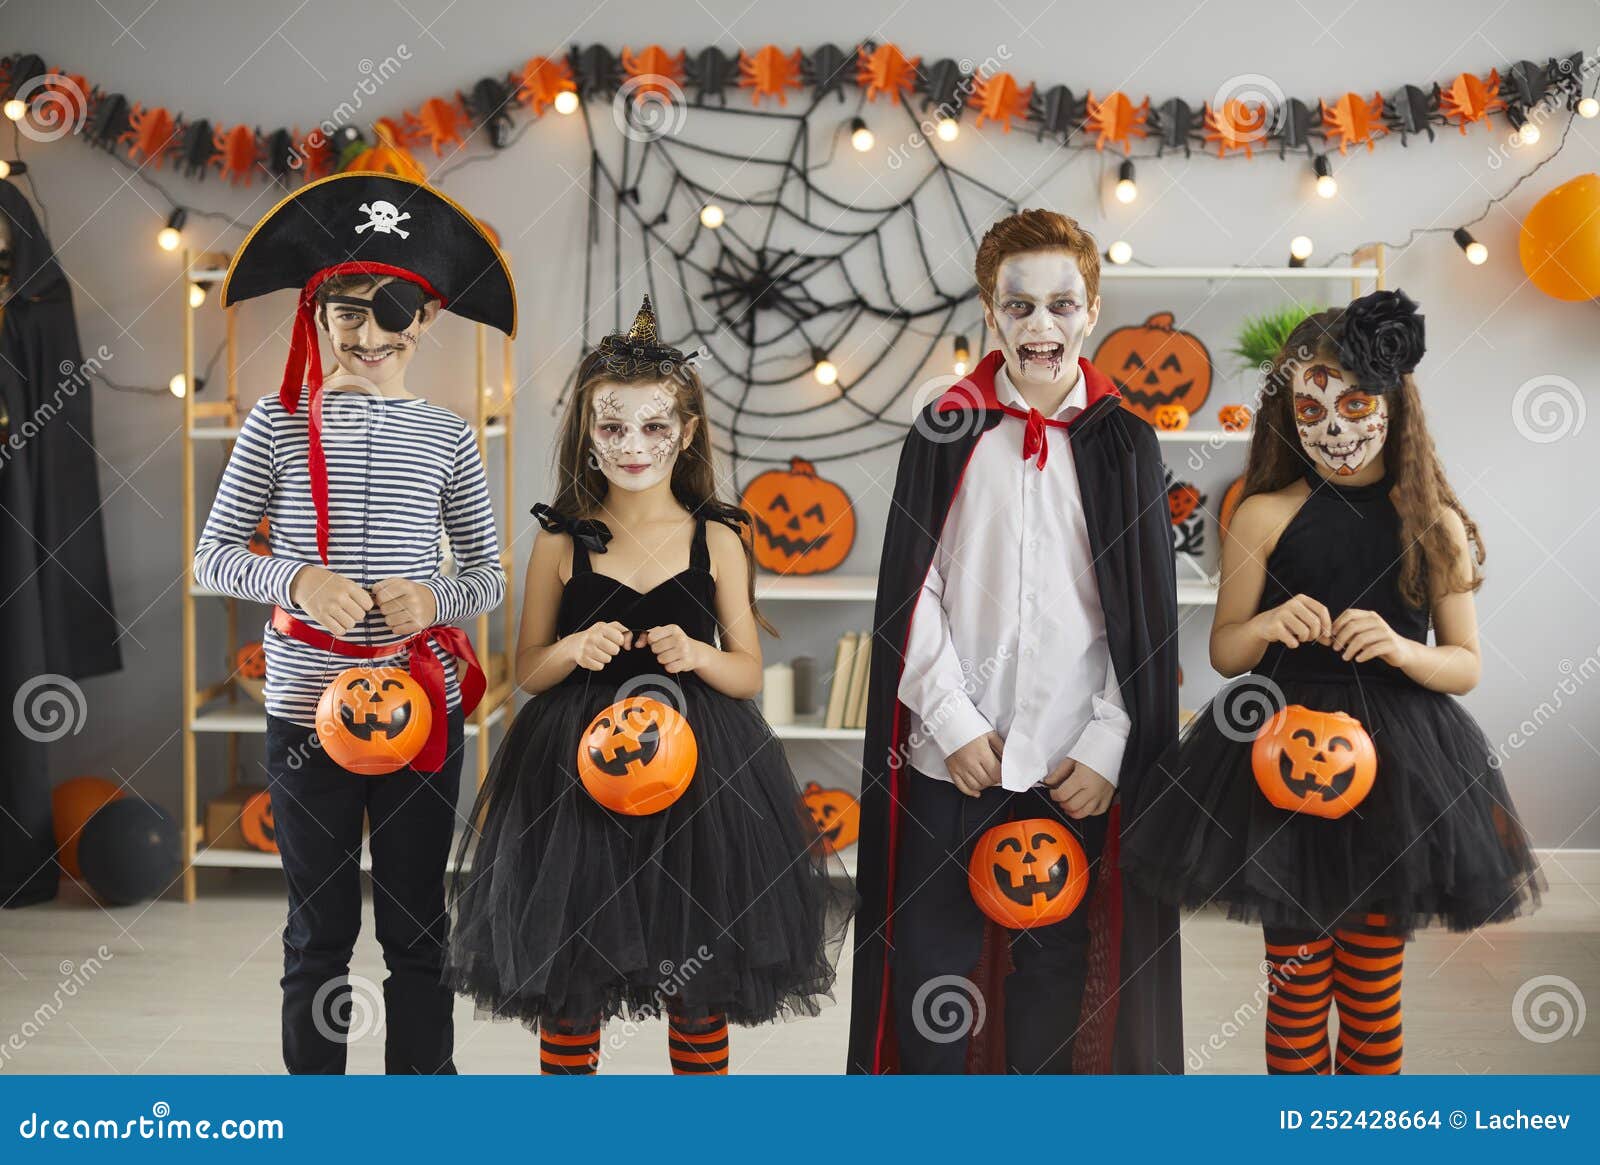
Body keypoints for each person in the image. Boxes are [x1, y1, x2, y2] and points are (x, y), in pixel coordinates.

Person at [1119, 290, 1541, 1074]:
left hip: (1400, 768)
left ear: (1392, 403)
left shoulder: (1432, 523)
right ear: (1288, 414)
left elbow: (1465, 662)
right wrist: (1269, 626)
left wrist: (1399, 650)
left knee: (1374, 983)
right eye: (1312, 410)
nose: (1335, 428)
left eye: (1354, 404)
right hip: (1282, 762)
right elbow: (1225, 651)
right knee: (1297, 981)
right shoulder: (1263, 515)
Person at [444, 296, 849, 1075]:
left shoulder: (718, 536)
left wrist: (698, 654)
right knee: (576, 971)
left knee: (695, 967)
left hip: (702, 778)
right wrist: (572, 645)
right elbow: (528, 669)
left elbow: (747, 671)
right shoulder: (561, 539)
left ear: (687, 433)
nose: (634, 444)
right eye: (613, 426)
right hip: (574, 775)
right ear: (587, 434)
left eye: (656, 426)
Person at [847, 209, 1184, 1075]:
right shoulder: (946, 430)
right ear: (990, 313)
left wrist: (1112, 742)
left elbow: (1140, 615)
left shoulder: (1125, 443)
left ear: (1093, 309)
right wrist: (952, 719)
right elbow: (911, 590)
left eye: (1062, 304)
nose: (1042, 326)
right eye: (1020, 306)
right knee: (930, 966)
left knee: (1055, 974)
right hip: (952, 757)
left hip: (1074, 761)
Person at [194, 172, 514, 1073]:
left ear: (425, 320)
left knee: (417, 917)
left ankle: (419, 1101)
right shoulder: (277, 421)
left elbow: (488, 571)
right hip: (308, 708)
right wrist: (293, 579)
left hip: (421, 705)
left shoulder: (450, 436)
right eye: (346, 311)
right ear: (317, 313)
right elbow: (212, 557)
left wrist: (437, 597)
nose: (367, 334)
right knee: (319, 924)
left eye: (389, 312)